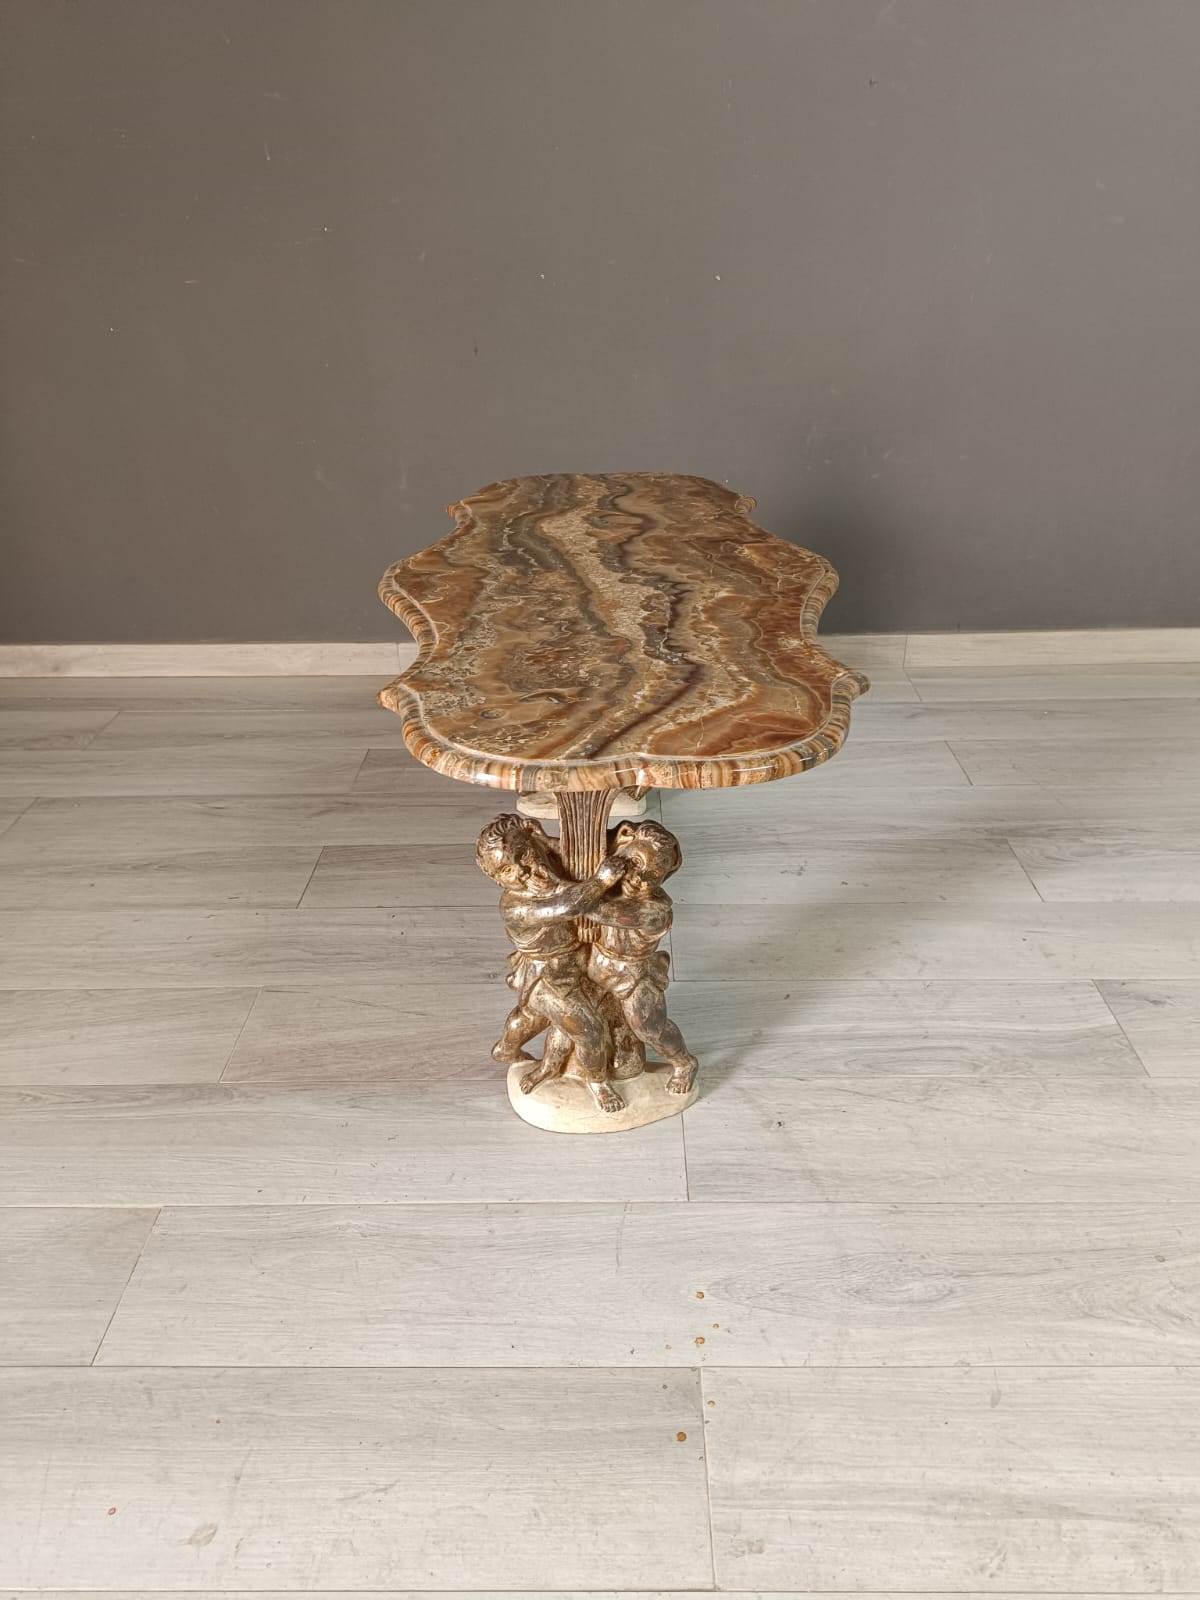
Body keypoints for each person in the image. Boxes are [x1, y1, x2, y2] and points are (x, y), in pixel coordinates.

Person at [475, 813, 628, 1112]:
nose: (521, 871)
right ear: (496, 879)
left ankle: (507, 1049)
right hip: (546, 977)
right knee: (590, 1030)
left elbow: (567, 861)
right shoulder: (516, 907)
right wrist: (601, 881)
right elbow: (566, 905)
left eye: (523, 855)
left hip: (572, 963)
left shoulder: (542, 872)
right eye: (506, 870)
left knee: (536, 1017)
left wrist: (546, 840)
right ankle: (597, 1082)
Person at [583, 819, 699, 1096]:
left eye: (653, 876)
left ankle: (684, 1062)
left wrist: (600, 879)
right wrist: (614, 838)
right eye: (635, 862)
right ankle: (595, 1077)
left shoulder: (654, 911)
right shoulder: (613, 885)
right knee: (580, 1020)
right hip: (597, 964)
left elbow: (591, 909)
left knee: (648, 1027)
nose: (640, 878)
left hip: (634, 974)